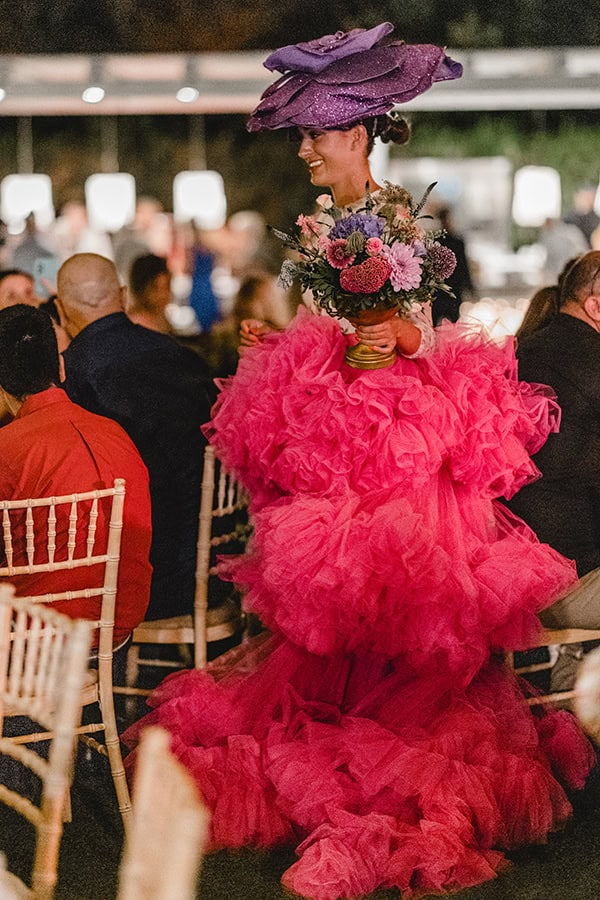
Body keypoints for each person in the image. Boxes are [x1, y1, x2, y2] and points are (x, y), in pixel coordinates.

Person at [123, 25, 594, 900]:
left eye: (312, 133)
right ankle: (353, 766)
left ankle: (385, 787)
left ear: (354, 135)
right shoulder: (340, 223)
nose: (303, 148)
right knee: (352, 619)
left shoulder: (385, 217)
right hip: (352, 429)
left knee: (390, 614)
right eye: (300, 132)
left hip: (392, 441)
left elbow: (418, 327)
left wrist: (396, 336)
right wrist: (297, 342)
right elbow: (354, 327)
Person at [55, 253, 213, 621]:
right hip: (209, 560)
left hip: (129, 582)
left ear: (61, 311)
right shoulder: (180, 356)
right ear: (123, 295)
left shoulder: (69, 376)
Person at [0, 304, 152, 645]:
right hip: (118, 623)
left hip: (36, 635)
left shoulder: (7, 448)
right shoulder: (116, 433)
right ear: (62, 368)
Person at [508, 251, 600, 687]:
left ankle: (572, 684)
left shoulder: (525, 348)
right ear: (595, 306)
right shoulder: (592, 362)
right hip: (572, 580)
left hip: (512, 576)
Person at [127, 253, 173, 333]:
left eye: (167, 287)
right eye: (155, 288)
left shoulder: (160, 320)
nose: (164, 295)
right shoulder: (139, 324)